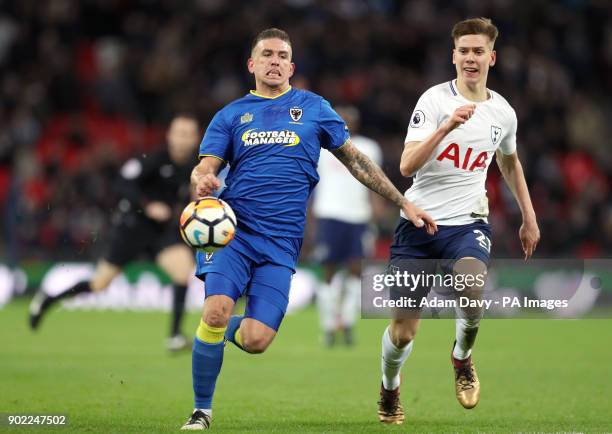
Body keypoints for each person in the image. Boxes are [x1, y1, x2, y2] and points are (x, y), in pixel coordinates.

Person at [181, 28, 436, 430]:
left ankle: (206, 333)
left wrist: (402, 201)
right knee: (217, 309)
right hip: (233, 232)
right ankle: (201, 411)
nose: (274, 61)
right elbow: (205, 166)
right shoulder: (230, 115)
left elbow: (356, 161)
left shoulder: (313, 108)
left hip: (282, 242)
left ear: (292, 66)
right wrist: (203, 180)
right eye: (266, 54)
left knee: (255, 340)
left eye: (282, 55)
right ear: (252, 64)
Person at [376, 18, 541, 425]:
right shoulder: (432, 102)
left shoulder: (503, 112)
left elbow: (509, 160)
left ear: (491, 57)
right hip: (417, 225)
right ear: (454, 56)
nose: (471, 57)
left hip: (467, 223)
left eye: (478, 51)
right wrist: (446, 128)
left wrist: (529, 216)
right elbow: (406, 164)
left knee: (471, 285)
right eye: (464, 50)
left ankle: (462, 357)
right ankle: (389, 386)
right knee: (403, 333)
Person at [28, 114, 200, 352]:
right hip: (133, 227)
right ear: (170, 135)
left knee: (182, 271)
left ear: (195, 139)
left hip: (161, 232)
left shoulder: (193, 168)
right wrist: (148, 204)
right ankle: (47, 300)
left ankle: (174, 336)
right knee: (99, 284)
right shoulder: (154, 159)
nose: (183, 139)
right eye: (179, 133)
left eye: (188, 134)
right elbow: (122, 183)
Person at [313, 105, 383, 347]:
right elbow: (313, 185)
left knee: (355, 271)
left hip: (358, 217)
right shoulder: (322, 150)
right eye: (342, 119)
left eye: (351, 119)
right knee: (328, 272)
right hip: (329, 215)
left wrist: (377, 210)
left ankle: (349, 323)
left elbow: (376, 180)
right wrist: (311, 220)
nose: (347, 123)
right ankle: (329, 326)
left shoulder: (369, 148)